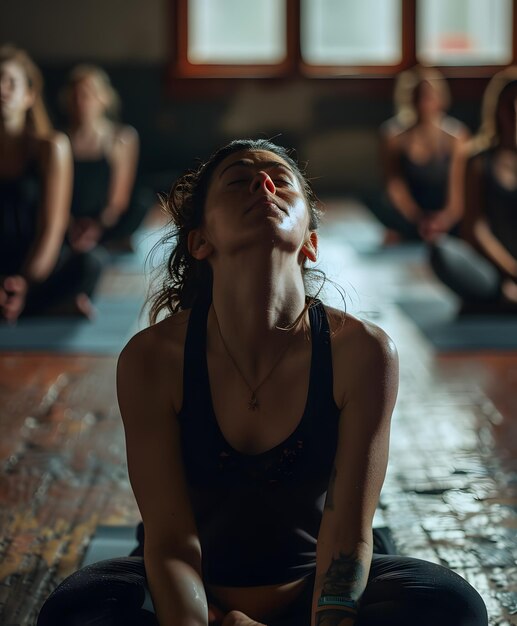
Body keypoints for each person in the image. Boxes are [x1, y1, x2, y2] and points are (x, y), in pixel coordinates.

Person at [37, 139, 488, 626]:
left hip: (314, 590)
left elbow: (347, 536)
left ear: (311, 241)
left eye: (280, 179)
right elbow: (170, 544)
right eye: (239, 181)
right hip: (190, 592)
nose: (263, 184)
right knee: (77, 611)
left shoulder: (363, 353)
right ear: (200, 240)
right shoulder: (152, 359)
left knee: (452, 607)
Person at [0, 45, 104, 321]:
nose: (2, 89)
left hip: (36, 263)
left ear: (29, 95)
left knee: (89, 264)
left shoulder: (51, 148)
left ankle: (25, 302)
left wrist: (23, 283)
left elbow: (52, 229)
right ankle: (44, 307)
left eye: (10, 81)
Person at [430, 67, 517, 312]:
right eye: (510, 105)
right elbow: (475, 228)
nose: (516, 113)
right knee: (442, 251)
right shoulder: (478, 160)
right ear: (498, 109)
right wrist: (511, 270)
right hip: (492, 265)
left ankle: (502, 299)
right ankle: (501, 293)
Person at [62, 64, 151, 253]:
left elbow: (119, 199)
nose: (81, 101)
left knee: (142, 202)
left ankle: (105, 240)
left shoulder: (121, 137)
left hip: (105, 218)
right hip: (67, 215)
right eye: (75, 95)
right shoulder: (60, 140)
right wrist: (69, 224)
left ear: (104, 98)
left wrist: (97, 227)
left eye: (87, 94)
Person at [376, 66, 470, 243]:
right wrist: (418, 219)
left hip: (447, 223)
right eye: (418, 95)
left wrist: (444, 221)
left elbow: (459, 189)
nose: (424, 101)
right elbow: (394, 186)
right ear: (409, 97)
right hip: (408, 219)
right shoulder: (392, 136)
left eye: (429, 95)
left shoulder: (456, 137)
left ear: (441, 97)